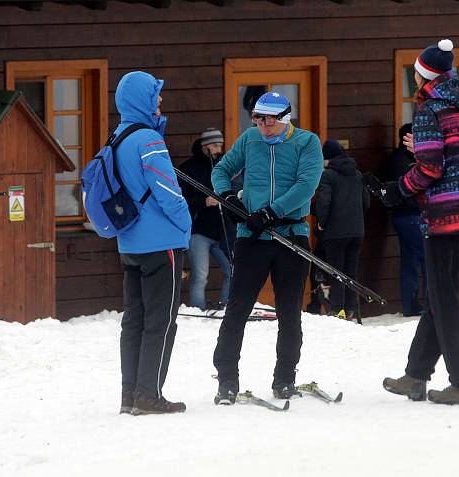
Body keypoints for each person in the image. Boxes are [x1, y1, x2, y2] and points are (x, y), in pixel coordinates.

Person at [380, 39, 459, 406]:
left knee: (445, 304)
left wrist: (396, 190)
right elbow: (455, 158)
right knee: (441, 301)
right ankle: (415, 376)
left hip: (444, 219)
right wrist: (421, 147)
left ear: (422, 75)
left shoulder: (428, 111)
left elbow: (431, 169)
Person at [211, 91, 323, 404]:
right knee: (237, 310)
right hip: (252, 238)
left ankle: (285, 379)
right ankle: (227, 382)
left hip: (291, 236)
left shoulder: (306, 142)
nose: (264, 127)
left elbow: (307, 185)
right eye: (259, 120)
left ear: (285, 118)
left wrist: (272, 212)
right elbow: (221, 170)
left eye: (270, 120)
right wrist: (228, 197)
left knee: (289, 313)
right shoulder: (249, 140)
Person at [114, 71, 192, 415]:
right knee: (161, 321)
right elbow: (168, 192)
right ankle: (149, 395)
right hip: (161, 243)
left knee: (134, 319)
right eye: (155, 94)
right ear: (142, 99)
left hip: (129, 243)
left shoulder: (117, 137)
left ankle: (130, 394)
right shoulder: (148, 141)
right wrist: (186, 226)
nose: (160, 100)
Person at [315, 139, 369, 321]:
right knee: (351, 271)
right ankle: (351, 309)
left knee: (336, 271)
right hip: (356, 230)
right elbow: (366, 202)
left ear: (327, 158)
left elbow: (324, 202)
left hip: (335, 232)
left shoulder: (328, 175)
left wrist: (321, 221)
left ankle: (338, 309)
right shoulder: (357, 174)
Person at [180, 128, 233, 311]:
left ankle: (227, 306)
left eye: (220, 145)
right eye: (214, 145)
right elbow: (180, 201)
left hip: (222, 229)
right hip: (198, 231)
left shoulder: (225, 166)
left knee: (232, 270)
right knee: (201, 274)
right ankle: (197, 309)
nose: (219, 149)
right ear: (205, 146)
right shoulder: (188, 168)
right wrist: (203, 201)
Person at [385, 123, 426, 316]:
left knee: (409, 260)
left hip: (402, 215)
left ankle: (411, 305)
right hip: (411, 214)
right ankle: (430, 302)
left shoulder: (394, 159)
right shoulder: (407, 161)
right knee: (426, 258)